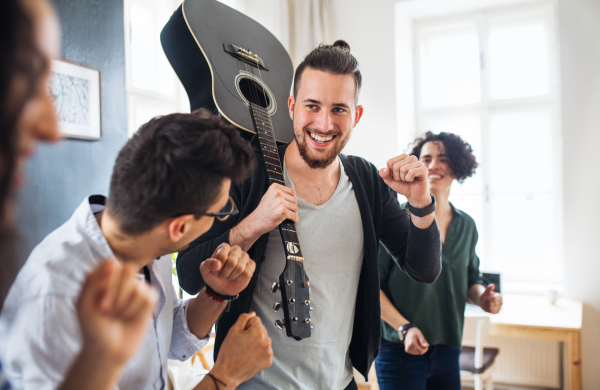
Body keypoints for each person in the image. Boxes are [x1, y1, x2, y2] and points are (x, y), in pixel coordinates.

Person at [176, 40, 442, 390]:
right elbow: (188, 274)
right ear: (291, 107)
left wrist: (421, 203)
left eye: (339, 110)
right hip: (254, 384)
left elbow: (423, 269)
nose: (324, 123)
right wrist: (253, 225)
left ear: (356, 116)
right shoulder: (247, 170)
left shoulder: (366, 181)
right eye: (312, 106)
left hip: (339, 382)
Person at [0, 109, 274, 390]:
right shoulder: (55, 299)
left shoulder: (148, 239)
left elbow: (163, 341)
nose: (224, 216)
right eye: (220, 212)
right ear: (179, 227)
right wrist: (224, 376)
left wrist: (216, 294)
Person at [0, 0, 159, 389]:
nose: (53, 129)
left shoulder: (148, 272)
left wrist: (99, 360)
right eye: (26, 73)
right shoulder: (53, 291)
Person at [375, 131, 503, 390]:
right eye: (426, 158)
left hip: (448, 347)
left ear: (457, 166)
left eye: (443, 159)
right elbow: (370, 286)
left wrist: (483, 297)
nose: (433, 165)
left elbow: (470, 279)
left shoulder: (466, 225)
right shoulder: (394, 221)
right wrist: (404, 328)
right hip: (400, 348)